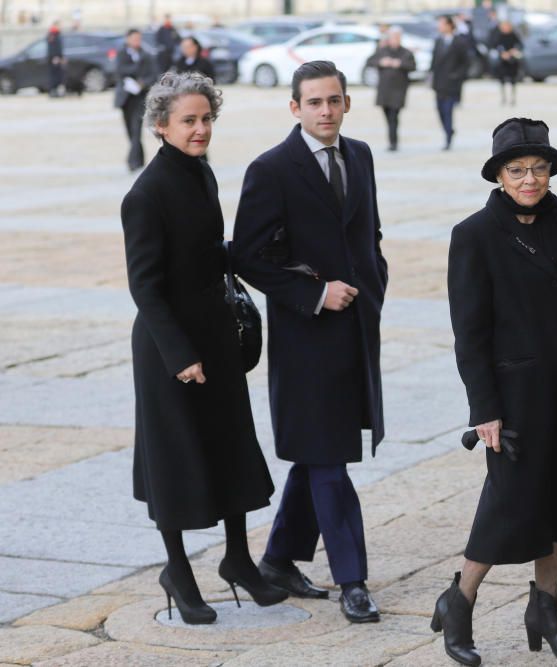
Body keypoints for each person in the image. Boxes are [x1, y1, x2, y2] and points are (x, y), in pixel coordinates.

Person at [434, 117, 557, 667]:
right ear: (499, 176)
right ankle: (460, 600)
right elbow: (470, 331)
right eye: (517, 170)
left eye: (538, 168)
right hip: (513, 394)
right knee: (508, 504)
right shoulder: (475, 235)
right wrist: (484, 407)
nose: (530, 179)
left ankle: (546, 609)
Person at [121, 71, 285, 626]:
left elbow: (212, 254)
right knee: (176, 458)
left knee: (229, 444)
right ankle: (178, 571)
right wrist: (179, 355)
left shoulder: (202, 176)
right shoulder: (144, 195)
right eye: (188, 121)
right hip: (172, 349)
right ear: (161, 126)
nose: (200, 129)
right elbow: (145, 286)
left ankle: (238, 560)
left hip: (214, 337)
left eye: (206, 118)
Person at [232, 60, 388, 625]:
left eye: (334, 101)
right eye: (314, 102)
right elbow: (245, 255)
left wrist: (375, 284)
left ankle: (276, 559)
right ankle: (353, 579)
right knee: (329, 459)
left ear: (347, 103)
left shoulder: (362, 155)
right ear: (295, 108)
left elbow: (366, 231)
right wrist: (316, 294)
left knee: (319, 451)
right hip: (305, 340)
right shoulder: (271, 169)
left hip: (356, 332)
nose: (326, 111)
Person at [114, 29, 158, 172]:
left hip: (140, 97)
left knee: (136, 128)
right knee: (130, 130)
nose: (137, 41)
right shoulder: (121, 54)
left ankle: (132, 161)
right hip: (126, 97)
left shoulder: (146, 55)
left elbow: (153, 75)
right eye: (134, 38)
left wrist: (142, 83)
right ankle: (138, 159)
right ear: (127, 39)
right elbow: (120, 71)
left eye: (139, 38)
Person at [369, 26, 416, 152]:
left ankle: (393, 142)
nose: (395, 39)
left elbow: (412, 66)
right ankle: (392, 140)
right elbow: (370, 61)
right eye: (393, 37)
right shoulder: (382, 51)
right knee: (388, 116)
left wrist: (399, 64)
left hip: (399, 89)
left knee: (394, 116)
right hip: (384, 90)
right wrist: (381, 62)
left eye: (397, 37)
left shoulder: (406, 52)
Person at [431, 15, 469, 151]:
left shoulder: (460, 42)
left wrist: (457, 76)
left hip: (452, 84)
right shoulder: (438, 41)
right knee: (440, 111)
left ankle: (448, 138)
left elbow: (465, 63)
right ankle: (449, 130)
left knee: (448, 111)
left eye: (441, 24)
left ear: (449, 25)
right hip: (439, 84)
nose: (439, 27)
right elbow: (434, 62)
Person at [490, 20, 522, 106]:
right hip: (503, 61)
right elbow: (495, 45)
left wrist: (512, 51)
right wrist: (502, 53)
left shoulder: (514, 35)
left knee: (513, 80)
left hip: (512, 61)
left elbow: (519, 45)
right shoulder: (499, 35)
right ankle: (504, 97)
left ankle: (512, 98)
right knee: (502, 80)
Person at [46, 21, 64, 97]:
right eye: (58, 25)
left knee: (58, 76)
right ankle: (52, 91)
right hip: (54, 59)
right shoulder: (52, 34)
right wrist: (55, 57)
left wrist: (61, 57)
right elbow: (52, 48)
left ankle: (55, 91)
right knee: (54, 76)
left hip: (57, 58)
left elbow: (59, 47)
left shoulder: (56, 34)